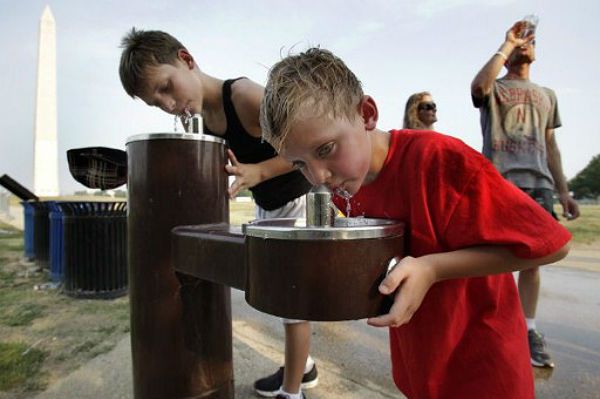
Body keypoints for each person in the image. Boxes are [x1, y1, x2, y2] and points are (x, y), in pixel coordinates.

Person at [259, 47, 571, 399]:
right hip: (420, 364)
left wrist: (433, 268)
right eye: (299, 164)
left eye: (326, 149)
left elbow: (553, 244)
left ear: (366, 113)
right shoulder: (347, 183)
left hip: (484, 369)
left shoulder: (438, 161)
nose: (318, 176)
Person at [118, 28, 318, 399]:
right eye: (155, 103)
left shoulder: (243, 97)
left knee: (291, 300)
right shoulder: (193, 116)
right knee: (274, 292)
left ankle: (293, 393)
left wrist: (259, 171)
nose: (167, 105)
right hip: (269, 203)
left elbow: (309, 142)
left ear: (186, 59)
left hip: (298, 200)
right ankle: (303, 367)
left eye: (166, 87)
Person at [471, 19, 580, 368]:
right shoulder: (497, 88)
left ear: (535, 51)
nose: (524, 44)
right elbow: (477, 87)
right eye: (520, 40)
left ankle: (528, 330)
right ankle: (492, 328)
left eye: (529, 41)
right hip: (500, 181)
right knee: (493, 261)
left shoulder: (547, 95)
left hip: (540, 185)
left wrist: (563, 192)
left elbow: (551, 145)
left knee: (534, 260)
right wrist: (506, 45)